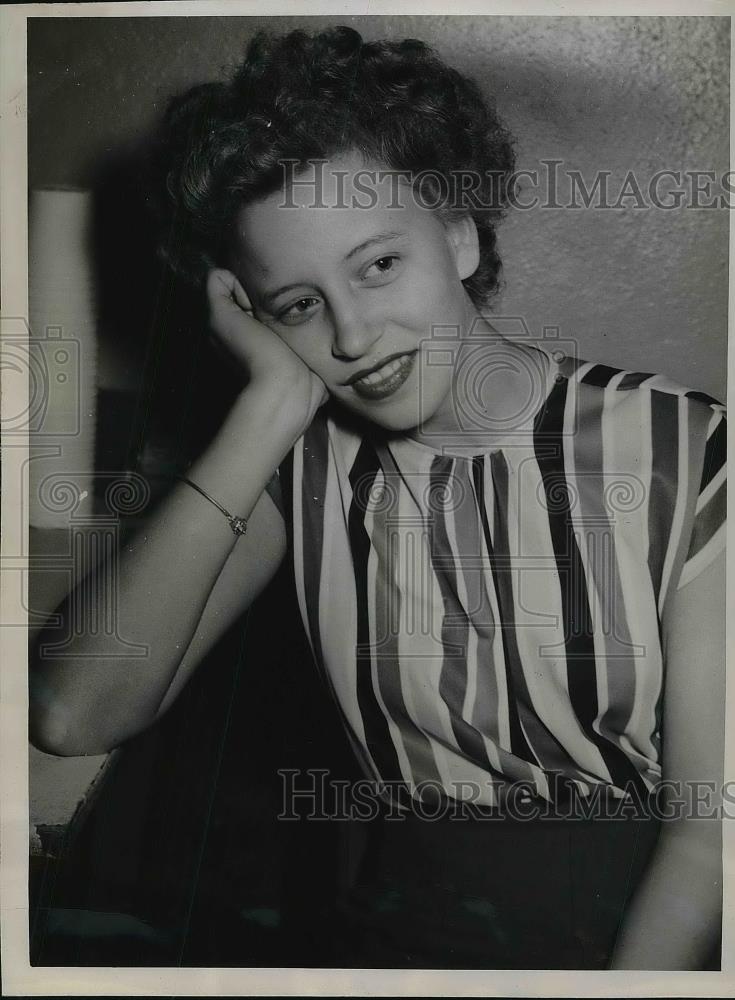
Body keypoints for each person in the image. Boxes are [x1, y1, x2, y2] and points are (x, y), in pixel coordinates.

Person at [30, 26, 726, 970]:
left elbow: (707, 842)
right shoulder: (300, 469)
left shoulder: (692, 449)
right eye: (299, 304)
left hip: (644, 943)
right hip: (402, 939)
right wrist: (269, 407)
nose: (352, 336)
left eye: (378, 264)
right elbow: (74, 714)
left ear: (457, 231)